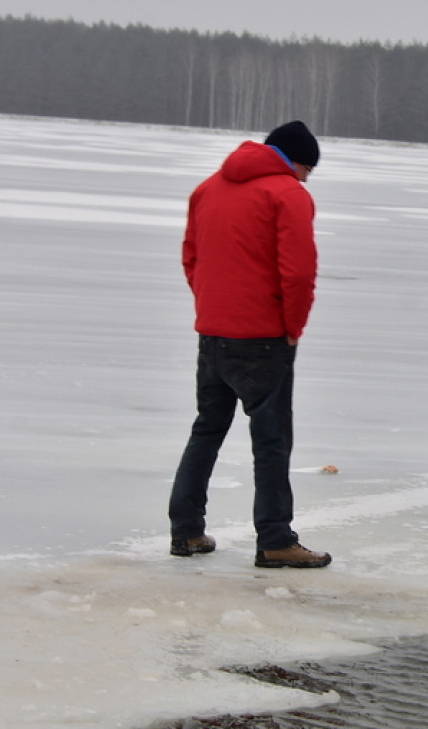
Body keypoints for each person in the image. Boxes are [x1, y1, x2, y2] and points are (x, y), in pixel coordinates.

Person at [168, 120, 331, 569]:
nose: (305, 179)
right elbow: (297, 273)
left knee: (207, 430)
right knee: (272, 442)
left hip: (213, 334)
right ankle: (276, 539)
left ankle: (186, 530)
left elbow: (191, 257)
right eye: (307, 170)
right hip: (263, 339)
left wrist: (211, 307)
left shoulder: (207, 188)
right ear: (296, 161)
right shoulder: (287, 194)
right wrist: (292, 327)